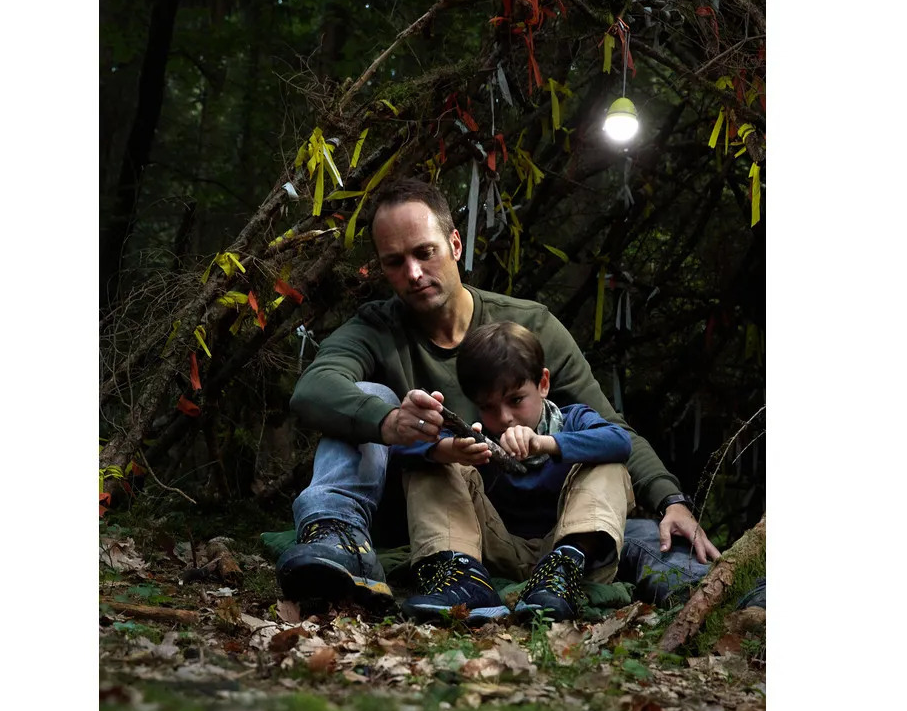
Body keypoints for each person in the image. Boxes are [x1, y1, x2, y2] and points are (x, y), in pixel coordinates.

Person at [276, 178, 719, 611]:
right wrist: (389, 422)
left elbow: (613, 432)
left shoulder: (530, 327)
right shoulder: (375, 328)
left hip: (556, 521)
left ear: (455, 244)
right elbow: (314, 389)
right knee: (364, 397)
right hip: (451, 518)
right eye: (394, 262)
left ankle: (706, 594)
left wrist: (671, 500)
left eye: (425, 252)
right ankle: (336, 536)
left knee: (654, 542)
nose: (413, 273)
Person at [395, 321, 634, 624]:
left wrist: (545, 444)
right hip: (494, 551)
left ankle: (562, 573)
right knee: (431, 462)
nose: (505, 417)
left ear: (543, 384)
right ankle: (463, 579)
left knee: (608, 463)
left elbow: (620, 442)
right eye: (488, 407)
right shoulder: (477, 436)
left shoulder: (573, 420)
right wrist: (450, 451)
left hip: (565, 549)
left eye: (516, 400)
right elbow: (400, 449)